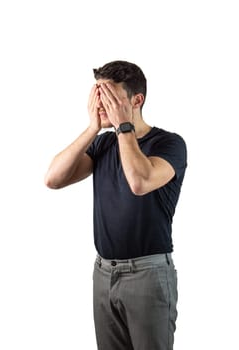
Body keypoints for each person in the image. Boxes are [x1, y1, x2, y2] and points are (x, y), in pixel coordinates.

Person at [45, 60, 187, 350]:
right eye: (99, 95)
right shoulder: (104, 144)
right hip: (103, 273)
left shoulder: (169, 144)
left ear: (137, 100)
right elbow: (53, 178)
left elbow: (140, 182)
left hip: (148, 274)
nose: (102, 104)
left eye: (110, 97)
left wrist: (123, 126)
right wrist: (92, 127)